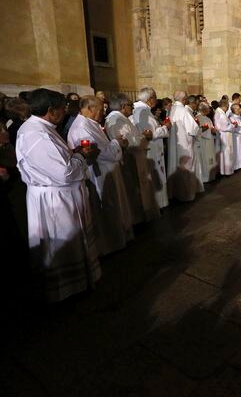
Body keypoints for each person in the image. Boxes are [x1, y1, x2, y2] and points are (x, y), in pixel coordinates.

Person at [15, 88, 101, 302]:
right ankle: (65, 291)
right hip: (55, 201)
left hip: (61, 195)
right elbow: (63, 173)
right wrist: (83, 158)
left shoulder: (44, 128)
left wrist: (75, 155)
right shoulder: (36, 134)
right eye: (63, 108)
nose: (66, 112)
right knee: (62, 244)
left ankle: (77, 283)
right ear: (51, 110)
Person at [68, 96, 133, 256]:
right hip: (99, 176)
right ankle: (109, 245)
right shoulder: (81, 128)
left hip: (107, 172)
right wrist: (118, 143)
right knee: (106, 210)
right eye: (100, 109)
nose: (104, 112)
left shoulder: (90, 124)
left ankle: (117, 238)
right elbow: (102, 153)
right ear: (89, 109)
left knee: (114, 207)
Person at [106, 93, 160, 222]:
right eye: (131, 106)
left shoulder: (120, 118)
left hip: (134, 158)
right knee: (135, 189)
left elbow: (130, 137)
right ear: (123, 106)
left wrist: (139, 136)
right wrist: (145, 137)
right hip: (131, 159)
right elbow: (130, 143)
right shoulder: (116, 120)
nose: (133, 109)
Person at [131, 87, 170, 209]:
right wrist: (165, 128)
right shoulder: (142, 111)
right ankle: (157, 204)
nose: (156, 101)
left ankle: (159, 203)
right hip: (151, 149)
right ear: (150, 99)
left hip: (152, 149)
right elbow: (149, 133)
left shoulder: (143, 110)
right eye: (155, 98)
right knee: (154, 175)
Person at [166, 91, 204, 201]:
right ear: (184, 100)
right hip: (184, 145)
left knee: (175, 166)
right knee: (186, 169)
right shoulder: (183, 111)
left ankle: (175, 193)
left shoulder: (171, 110)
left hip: (174, 144)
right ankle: (187, 194)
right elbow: (192, 129)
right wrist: (198, 128)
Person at [196, 102, 218, 182]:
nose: (209, 110)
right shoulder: (198, 118)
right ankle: (205, 177)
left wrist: (213, 130)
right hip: (204, 142)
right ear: (204, 109)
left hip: (210, 140)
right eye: (208, 108)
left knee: (211, 157)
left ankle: (211, 176)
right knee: (205, 159)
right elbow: (199, 131)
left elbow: (210, 127)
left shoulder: (207, 118)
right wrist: (210, 131)